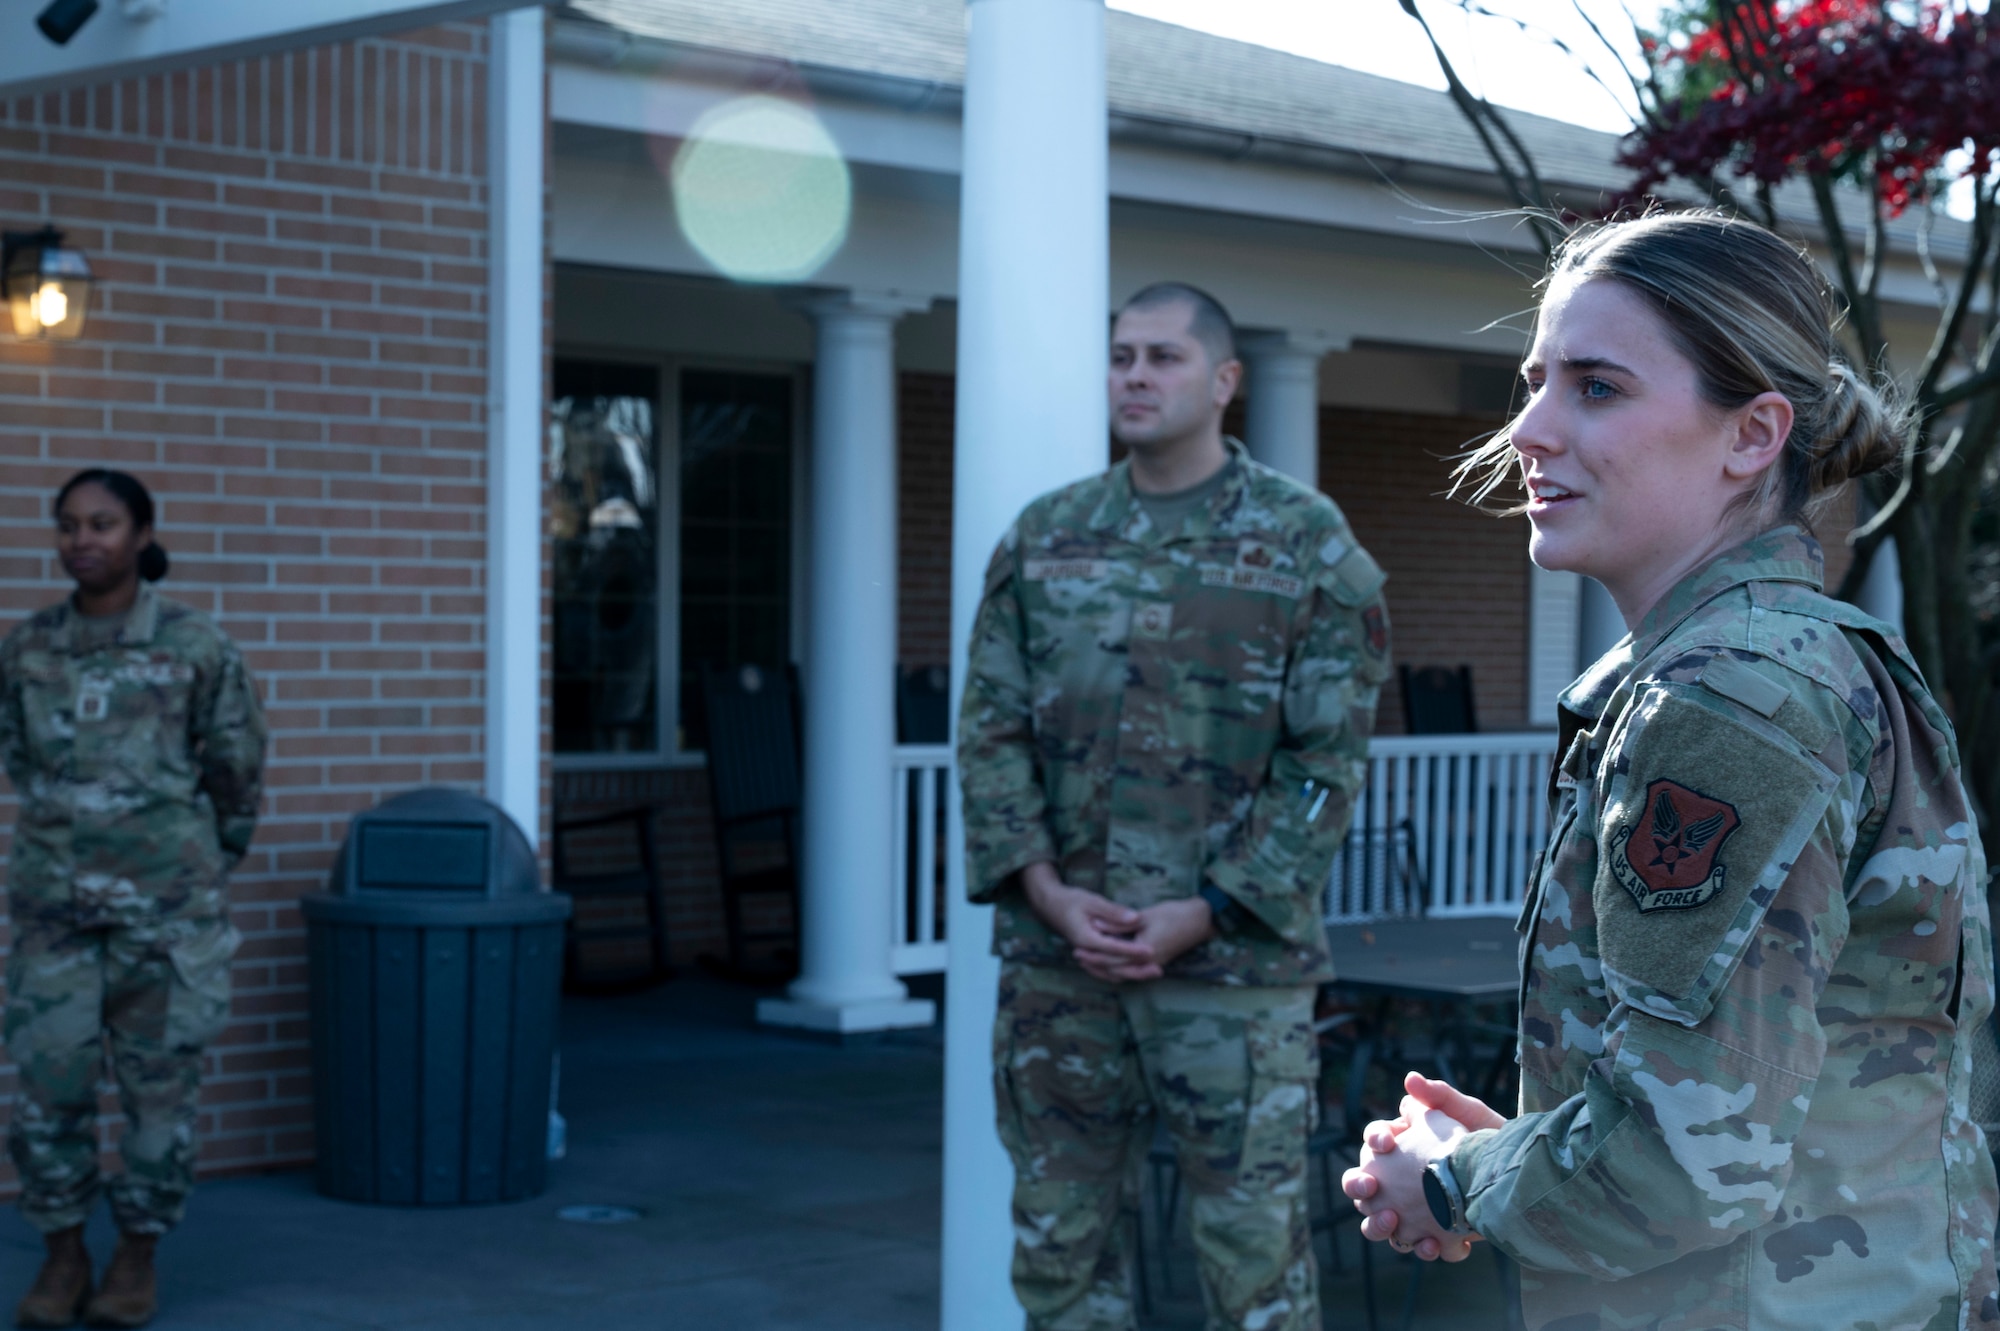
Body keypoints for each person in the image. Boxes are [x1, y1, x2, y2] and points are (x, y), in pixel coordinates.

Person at [1341, 211, 1999, 1328]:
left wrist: (1454, 1179)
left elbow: (1683, 1161)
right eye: (1533, 382)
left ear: (1752, 435)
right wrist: (1518, 1157)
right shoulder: (1781, 659)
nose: (1528, 430)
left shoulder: (1724, 700)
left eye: (1595, 387)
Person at [959, 281, 1393, 1331]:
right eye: (1121, 357)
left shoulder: (1303, 543)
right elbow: (988, 733)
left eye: (1163, 357)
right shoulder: (1045, 538)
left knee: (1253, 1268)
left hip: (1233, 978)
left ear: (1224, 379)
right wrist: (1045, 891)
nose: (1136, 376)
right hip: (1060, 970)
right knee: (1060, 1255)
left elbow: (1325, 761)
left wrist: (1208, 907)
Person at [0, 470, 266, 1329]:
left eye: (103, 523)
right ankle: (62, 1253)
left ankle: (137, 1254)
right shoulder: (28, 647)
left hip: (166, 918)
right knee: (48, 1094)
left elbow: (236, 770)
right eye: (68, 525)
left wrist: (195, 864)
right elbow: (20, 756)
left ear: (142, 534)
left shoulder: (195, 645)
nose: (82, 540)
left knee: (159, 1100)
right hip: (54, 919)